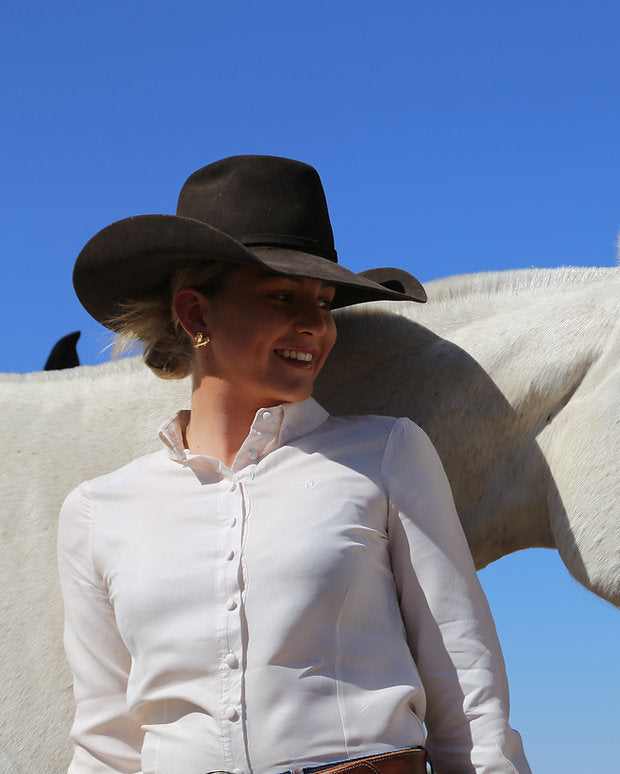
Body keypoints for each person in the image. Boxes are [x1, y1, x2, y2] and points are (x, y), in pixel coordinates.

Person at [58, 155, 531, 774]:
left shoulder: (386, 454)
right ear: (195, 314)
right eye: (283, 296)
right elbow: (106, 743)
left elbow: (465, 688)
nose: (315, 326)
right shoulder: (98, 511)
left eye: (325, 302)